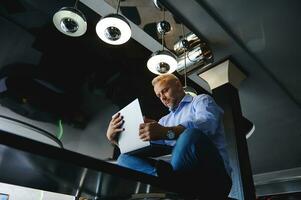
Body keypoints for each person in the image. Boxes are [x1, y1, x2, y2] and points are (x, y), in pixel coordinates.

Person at [106, 74, 232, 198]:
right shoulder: (164, 121)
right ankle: (165, 182)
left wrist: (166, 132)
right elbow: (142, 149)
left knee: (190, 134)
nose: (163, 98)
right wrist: (115, 140)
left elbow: (208, 125)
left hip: (213, 177)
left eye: (165, 91)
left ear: (178, 85)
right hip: (185, 181)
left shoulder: (200, 100)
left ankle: (169, 183)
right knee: (123, 158)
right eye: (159, 96)